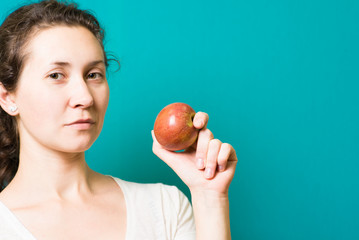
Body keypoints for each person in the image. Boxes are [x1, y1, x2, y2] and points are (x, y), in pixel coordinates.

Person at [0, 0, 238, 239]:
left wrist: (210, 198)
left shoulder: (165, 208)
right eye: (56, 75)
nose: (85, 97)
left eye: (93, 75)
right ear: (7, 97)